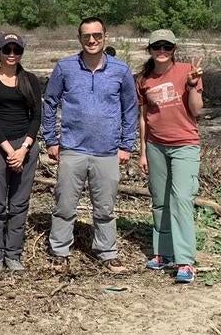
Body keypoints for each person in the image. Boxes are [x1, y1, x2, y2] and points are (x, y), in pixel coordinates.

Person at [42, 17, 139, 274]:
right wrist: (51, 139)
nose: (92, 40)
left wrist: (127, 144)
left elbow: (130, 109)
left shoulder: (121, 70)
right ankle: (59, 251)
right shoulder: (65, 68)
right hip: (73, 148)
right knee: (64, 204)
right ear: (80, 39)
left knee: (105, 206)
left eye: (97, 35)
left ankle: (106, 252)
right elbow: (49, 103)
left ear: (105, 36)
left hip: (107, 150)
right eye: (87, 36)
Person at [136, 29, 204, 284]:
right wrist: (142, 152)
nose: (161, 51)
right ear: (150, 49)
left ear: (174, 48)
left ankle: (185, 260)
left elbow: (197, 111)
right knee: (160, 200)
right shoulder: (144, 78)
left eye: (167, 46)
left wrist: (193, 85)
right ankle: (163, 252)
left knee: (181, 199)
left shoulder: (188, 70)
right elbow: (143, 118)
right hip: (155, 146)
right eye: (157, 47)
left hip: (185, 144)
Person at [0, 33, 41, 276]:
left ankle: (13, 254)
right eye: (7, 50)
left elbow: (36, 117)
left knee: (19, 203)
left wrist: (24, 149)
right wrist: (9, 151)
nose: (12, 54)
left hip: (25, 145)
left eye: (17, 50)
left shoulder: (30, 80)